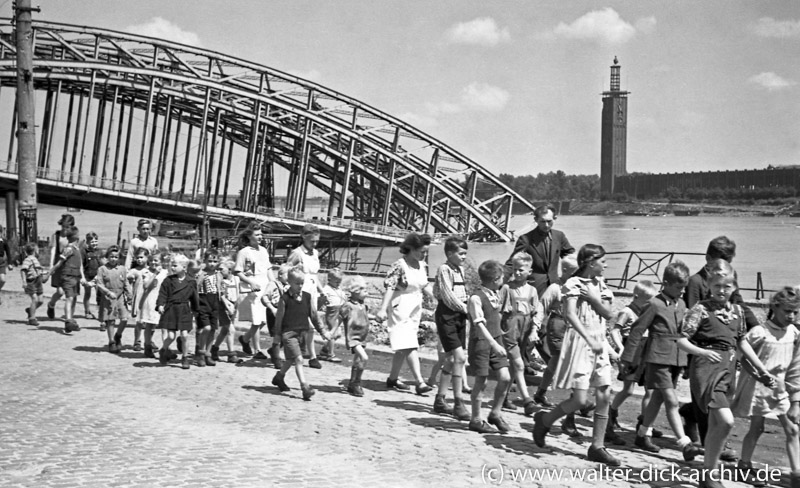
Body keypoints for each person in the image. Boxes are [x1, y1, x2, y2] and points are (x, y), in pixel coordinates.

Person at [677, 261, 773, 488]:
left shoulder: (738, 311)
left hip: (729, 371)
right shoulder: (700, 309)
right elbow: (681, 340)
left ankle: (708, 476)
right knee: (727, 421)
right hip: (706, 370)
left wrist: (761, 368)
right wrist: (702, 351)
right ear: (709, 285)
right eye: (717, 285)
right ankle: (710, 474)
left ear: (734, 287)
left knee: (715, 425)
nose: (722, 290)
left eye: (727, 286)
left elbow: (742, 344)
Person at [533, 244, 620, 466]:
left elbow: (609, 313)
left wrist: (593, 298)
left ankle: (597, 446)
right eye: (603, 261)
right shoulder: (573, 284)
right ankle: (545, 420)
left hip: (599, 343)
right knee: (580, 399)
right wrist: (588, 338)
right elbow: (570, 315)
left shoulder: (600, 284)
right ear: (591, 262)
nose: (606, 265)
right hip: (580, 345)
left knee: (604, 394)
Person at [620, 262, 703, 461]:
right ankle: (684, 443)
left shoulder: (682, 304)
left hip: (676, 359)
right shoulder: (654, 304)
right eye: (678, 287)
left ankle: (641, 434)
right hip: (657, 358)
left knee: (657, 398)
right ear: (665, 283)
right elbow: (637, 331)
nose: (682, 291)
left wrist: (687, 360)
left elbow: (685, 333)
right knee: (672, 400)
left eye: (684, 287)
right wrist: (627, 359)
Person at [681, 238, 754, 462]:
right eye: (721, 261)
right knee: (709, 405)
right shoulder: (696, 281)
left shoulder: (729, 281)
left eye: (730, 261)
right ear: (708, 259)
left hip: (725, 356)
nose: (724, 268)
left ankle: (689, 415)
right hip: (701, 350)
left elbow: (740, 305)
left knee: (713, 401)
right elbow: (691, 316)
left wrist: (756, 326)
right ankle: (710, 446)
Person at [731, 286, 800, 487]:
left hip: (780, 389)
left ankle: (796, 474)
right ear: (775, 307)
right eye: (787, 311)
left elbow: (796, 368)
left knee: (793, 429)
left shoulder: (794, 334)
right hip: (758, 389)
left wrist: (796, 398)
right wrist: (757, 374)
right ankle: (744, 466)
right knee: (757, 427)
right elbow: (741, 356)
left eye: (795, 312)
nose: (791, 316)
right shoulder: (760, 332)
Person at [506, 204, 574, 375]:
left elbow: (570, 256)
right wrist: (499, 281)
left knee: (546, 326)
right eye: (542, 221)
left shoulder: (559, 236)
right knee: (535, 326)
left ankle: (531, 362)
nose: (546, 225)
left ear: (554, 219)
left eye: (549, 221)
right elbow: (513, 262)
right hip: (534, 289)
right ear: (535, 220)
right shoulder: (526, 239)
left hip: (555, 287)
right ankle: (543, 363)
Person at [532, 255, 588, 436]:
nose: (578, 274)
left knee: (554, 365)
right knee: (563, 364)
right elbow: (542, 306)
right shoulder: (555, 288)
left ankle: (541, 392)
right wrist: (535, 328)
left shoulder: (580, 286)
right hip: (557, 327)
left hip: (573, 329)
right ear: (565, 271)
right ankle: (576, 408)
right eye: (575, 271)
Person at [377, 232, 434, 395]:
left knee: (403, 346)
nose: (424, 254)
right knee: (409, 344)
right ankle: (420, 382)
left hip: (415, 307)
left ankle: (392, 379)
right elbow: (390, 287)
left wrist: (435, 297)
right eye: (422, 251)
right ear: (410, 249)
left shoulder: (421, 265)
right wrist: (382, 309)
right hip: (400, 306)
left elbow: (424, 285)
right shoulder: (399, 265)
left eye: (426, 251)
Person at [606, 280, 659, 445]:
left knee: (650, 390)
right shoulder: (627, 312)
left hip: (646, 351)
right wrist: (621, 347)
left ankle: (645, 423)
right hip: (632, 349)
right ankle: (611, 412)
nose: (649, 303)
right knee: (628, 390)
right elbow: (615, 330)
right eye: (646, 299)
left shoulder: (648, 311)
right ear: (636, 297)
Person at [464, 260, 512, 434]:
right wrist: (493, 343)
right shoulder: (476, 298)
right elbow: (479, 324)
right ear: (496, 279)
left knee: (505, 377)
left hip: (496, 339)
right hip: (482, 343)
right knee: (481, 381)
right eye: (502, 278)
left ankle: (495, 412)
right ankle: (476, 419)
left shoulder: (495, 293)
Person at [271, 267, 331, 400]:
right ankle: (305, 387)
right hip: (288, 334)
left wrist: (322, 331)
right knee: (299, 359)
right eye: (297, 283)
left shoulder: (307, 297)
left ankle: (279, 377)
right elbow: (279, 319)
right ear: (290, 283)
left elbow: (314, 316)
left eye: (301, 283)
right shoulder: (284, 299)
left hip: (302, 333)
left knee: (291, 359)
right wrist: (277, 336)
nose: (300, 286)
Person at [431, 236, 471, 420]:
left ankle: (440, 399)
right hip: (447, 315)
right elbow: (446, 295)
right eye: (461, 254)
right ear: (449, 253)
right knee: (460, 357)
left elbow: (466, 291)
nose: (464, 257)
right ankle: (458, 402)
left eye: (465, 254)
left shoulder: (460, 270)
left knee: (450, 359)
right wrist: (466, 309)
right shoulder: (444, 269)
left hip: (459, 316)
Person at [500, 252, 539, 416]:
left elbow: (536, 312)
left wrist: (534, 331)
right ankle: (527, 400)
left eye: (521, 270)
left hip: (525, 329)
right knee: (519, 365)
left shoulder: (532, 290)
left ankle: (502, 397)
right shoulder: (507, 289)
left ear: (529, 271)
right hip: (510, 329)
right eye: (514, 269)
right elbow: (499, 312)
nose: (517, 273)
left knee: (513, 365)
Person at [286, 224, 326, 368]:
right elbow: (287, 271)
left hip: (312, 290)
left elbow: (315, 275)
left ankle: (312, 356)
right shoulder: (297, 253)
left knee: (311, 324)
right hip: (301, 290)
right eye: (312, 241)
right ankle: (282, 348)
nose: (314, 244)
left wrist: (322, 290)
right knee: (300, 323)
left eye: (316, 241)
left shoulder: (315, 253)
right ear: (304, 237)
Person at [157, 254, 200, 370]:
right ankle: (163, 349)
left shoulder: (191, 281)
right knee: (170, 336)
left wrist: (196, 311)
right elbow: (162, 294)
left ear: (184, 268)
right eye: (172, 265)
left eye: (175, 265)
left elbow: (194, 297)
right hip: (171, 309)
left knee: (185, 335)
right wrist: (160, 305)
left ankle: (185, 357)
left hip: (184, 310)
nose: (172, 267)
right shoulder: (168, 280)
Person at [235, 224, 272, 358]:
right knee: (256, 320)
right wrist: (251, 282)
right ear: (249, 236)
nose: (260, 237)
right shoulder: (244, 252)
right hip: (253, 288)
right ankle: (257, 350)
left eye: (261, 234)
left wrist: (274, 283)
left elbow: (268, 269)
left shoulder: (263, 250)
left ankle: (245, 339)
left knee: (263, 320)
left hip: (265, 287)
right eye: (257, 235)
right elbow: (238, 272)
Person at [94, 245, 132, 352]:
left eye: (116, 257)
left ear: (119, 258)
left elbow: (126, 283)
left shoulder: (122, 269)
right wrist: (107, 292)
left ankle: (118, 335)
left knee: (124, 319)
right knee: (110, 321)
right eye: (111, 256)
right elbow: (99, 284)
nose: (113, 259)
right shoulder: (102, 269)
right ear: (107, 257)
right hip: (108, 298)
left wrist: (130, 295)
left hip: (120, 297)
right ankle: (111, 341)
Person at [48, 225, 86, 333]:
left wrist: (82, 277)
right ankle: (68, 321)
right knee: (69, 298)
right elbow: (59, 263)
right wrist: (50, 272)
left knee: (73, 298)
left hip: (75, 277)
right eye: (77, 237)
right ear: (75, 239)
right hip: (68, 276)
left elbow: (80, 265)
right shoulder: (69, 249)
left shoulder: (77, 249)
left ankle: (70, 321)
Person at [342, 276, 371, 397]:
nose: (367, 293)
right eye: (364, 290)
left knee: (357, 360)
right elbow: (340, 318)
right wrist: (333, 331)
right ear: (356, 291)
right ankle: (357, 382)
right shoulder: (348, 306)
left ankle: (352, 382)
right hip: (353, 337)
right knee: (364, 358)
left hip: (362, 336)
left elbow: (363, 317)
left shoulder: (363, 305)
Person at [211, 259, 243, 364]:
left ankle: (214, 349)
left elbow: (238, 292)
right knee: (231, 330)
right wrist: (228, 306)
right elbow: (221, 296)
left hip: (233, 306)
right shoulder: (220, 281)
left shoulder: (236, 279)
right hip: (222, 307)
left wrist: (236, 306)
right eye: (218, 269)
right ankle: (231, 354)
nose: (218, 271)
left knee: (225, 330)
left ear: (229, 270)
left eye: (221, 269)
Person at [195, 250, 222, 367]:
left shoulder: (218, 274)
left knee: (213, 329)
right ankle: (200, 352)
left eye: (215, 261)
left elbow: (220, 289)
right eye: (210, 261)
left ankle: (208, 353)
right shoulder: (201, 273)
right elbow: (195, 287)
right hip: (203, 300)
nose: (212, 264)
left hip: (214, 301)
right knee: (206, 328)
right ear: (205, 261)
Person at [137, 253, 167, 359]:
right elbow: (146, 286)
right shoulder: (146, 272)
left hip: (162, 300)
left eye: (156, 260)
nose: (154, 263)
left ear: (161, 262)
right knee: (150, 324)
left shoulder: (165, 272)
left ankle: (165, 348)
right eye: (152, 260)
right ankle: (147, 346)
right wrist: (154, 274)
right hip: (150, 300)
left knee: (164, 325)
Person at [261, 264, 291, 368]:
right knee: (277, 335)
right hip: (274, 311)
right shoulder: (273, 284)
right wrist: (272, 308)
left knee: (286, 335)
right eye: (288, 275)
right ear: (280, 275)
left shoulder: (288, 286)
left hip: (285, 312)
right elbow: (264, 297)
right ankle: (277, 359)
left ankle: (273, 350)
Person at [46, 213, 75, 320]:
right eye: (63, 226)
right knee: (60, 291)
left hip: (69, 264)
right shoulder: (56, 236)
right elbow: (53, 250)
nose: (65, 229)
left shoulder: (73, 236)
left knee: (70, 293)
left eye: (67, 227)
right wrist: (51, 266)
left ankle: (69, 316)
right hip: (58, 264)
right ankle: (51, 304)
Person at [318, 268, 346, 363]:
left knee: (338, 334)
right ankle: (331, 354)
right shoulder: (326, 289)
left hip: (340, 311)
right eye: (336, 281)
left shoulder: (338, 289)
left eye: (339, 282)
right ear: (329, 279)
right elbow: (322, 299)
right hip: (332, 312)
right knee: (332, 333)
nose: (338, 283)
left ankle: (325, 350)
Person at [127, 248, 150, 351]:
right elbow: (128, 280)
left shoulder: (151, 270)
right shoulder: (134, 271)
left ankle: (149, 341)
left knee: (150, 322)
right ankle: (137, 341)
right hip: (139, 298)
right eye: (137, 258)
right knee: (139, 322)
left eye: (141, 257)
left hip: (149, 299)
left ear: (147, 257)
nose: (139, 260)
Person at [19, 242, 44, 326]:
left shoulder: (35, 260)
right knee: (35, 299)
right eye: (38, 250)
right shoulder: (28, 259)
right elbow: (23, 270)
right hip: (31, 282)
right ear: (35, 251)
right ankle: (32, 318)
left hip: (38, 281)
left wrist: (44, 273)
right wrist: (24, 281)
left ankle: (30, 310)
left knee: (40, 301)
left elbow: (37, 270)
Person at [80, 232, 102, 320]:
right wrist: (83, 277)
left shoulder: (98, 251)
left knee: (100, 294)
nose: (94, 243)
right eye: (92, 242)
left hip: (98, 276)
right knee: (87, 294)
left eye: (96, 241)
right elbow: (81, 264)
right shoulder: (84, 251)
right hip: (88, 275)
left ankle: (100, 312)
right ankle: (87, 311)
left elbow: (101, 263)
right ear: (88, 242)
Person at [0, 224, 12, 304]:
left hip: (1, 263)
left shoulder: (3, 241)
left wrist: (10, 263)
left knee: (3, 280)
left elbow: (8, 253)